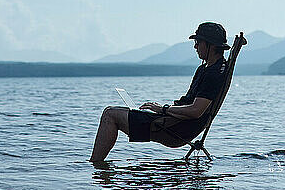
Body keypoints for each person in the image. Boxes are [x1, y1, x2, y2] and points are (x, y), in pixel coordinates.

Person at [89, 22, 230, 162]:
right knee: (113, 111)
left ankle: (96, 167)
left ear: (210, 45)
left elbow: (196, 111)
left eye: (198, 42)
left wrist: (164, 109)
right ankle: (97, 166)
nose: (195, 46)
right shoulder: (208, 68)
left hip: (177, 129)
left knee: (110, 115)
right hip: (175, 122)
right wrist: (162, 110)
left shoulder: (213, 73)